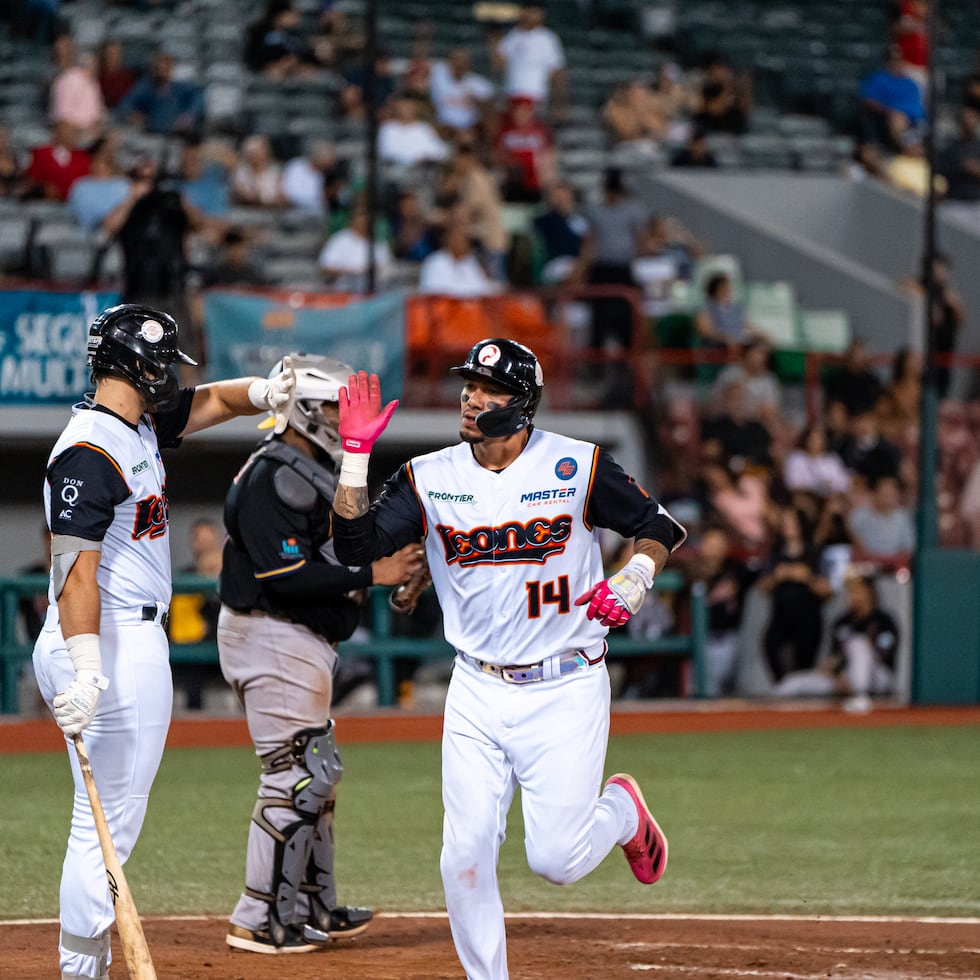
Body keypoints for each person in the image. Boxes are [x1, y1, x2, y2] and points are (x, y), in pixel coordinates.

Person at [329, 338, 687, 980]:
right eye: (469, 386)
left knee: (557, 861)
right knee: (461, 854)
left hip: (566, 683)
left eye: (488, 389)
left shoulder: (576, 465)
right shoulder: (428, 477)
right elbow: (354, 547)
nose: (471, 398)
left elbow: (659, 525)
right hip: (476, 688)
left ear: (521, 405)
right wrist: (355, 455)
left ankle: (623, 811)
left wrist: (634, 576)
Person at [31, 303, 299, 980]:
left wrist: (264, 393)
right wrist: (88, 669)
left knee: (104, 820)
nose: (170, 379)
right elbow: (71, 572)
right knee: (104, 824)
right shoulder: (91, 450)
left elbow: (210, 403)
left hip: (113, 634)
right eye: (161, 366)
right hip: (104, 635)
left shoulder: (137, 424)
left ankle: (80, 963)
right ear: (136, 366)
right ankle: (80, 967)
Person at [216, 353, 423, 954]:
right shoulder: (271, 475)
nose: (342, 416)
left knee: (319, 777)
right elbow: (287, 576)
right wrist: (374, 571)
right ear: (304, 410)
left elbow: (341, 552)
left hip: (295, 637)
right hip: (271, 630)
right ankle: (258, 917)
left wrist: (400, 566)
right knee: (294, 775)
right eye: (334, 405)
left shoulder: (310, 469)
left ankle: (310, 906)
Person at [774, 566, 899, 713]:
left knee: (858, 643)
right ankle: (768, 717)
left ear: (870, 592)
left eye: (858, 591)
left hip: (877, 675)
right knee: (791, 684)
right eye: (850, 591)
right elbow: (835, 656)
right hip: (843, 677)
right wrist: (835, 672)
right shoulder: (843, 622)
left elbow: (884, 654)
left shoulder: (884, 621)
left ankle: (860, 697)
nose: (853, 596)